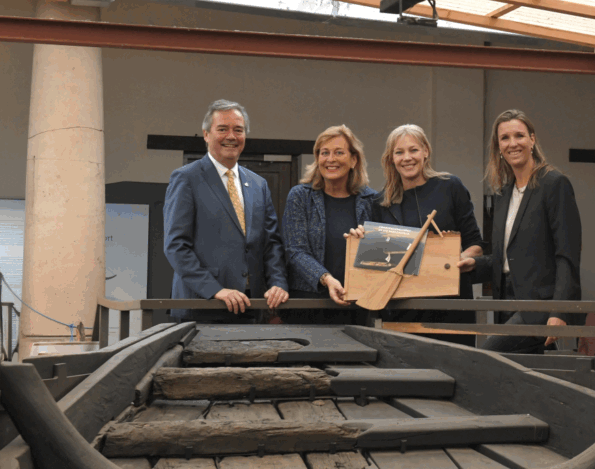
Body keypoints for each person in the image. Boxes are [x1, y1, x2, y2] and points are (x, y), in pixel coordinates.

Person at [460, 109, 582, 354]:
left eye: (519, 135)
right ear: (498, 146)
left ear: (532, 140)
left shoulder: (554, 183)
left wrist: (559, 311)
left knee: (486, 356)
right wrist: (475, 264)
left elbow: (567, 254)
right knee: (519, 372)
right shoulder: (504, 193)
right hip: (505, 302)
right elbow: (509, 259)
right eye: (505, 138)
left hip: (539, 306)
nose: (512, 143)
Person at [164, 99, 289, 322]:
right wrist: (215, 290)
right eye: (222, 129)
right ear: (206, 134)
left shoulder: (258, 185)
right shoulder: (186, 178)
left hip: (251, 306)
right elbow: (176, 246)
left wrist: (278, 283)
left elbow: (271, 244)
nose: (231, 136)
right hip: (203, 306)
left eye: (238, 130)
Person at [372, 124, 483, 340]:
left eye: (413, 150)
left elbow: (476, 244)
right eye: (399, 152)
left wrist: (455, 262)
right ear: (391, 158)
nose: (407, 158)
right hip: (403, 310)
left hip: (450, 307)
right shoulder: (380, 203)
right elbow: (378, 261)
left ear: (426, 152)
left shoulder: (451, 187)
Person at [283, 125, 376, 324]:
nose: (330, 159)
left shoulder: (372, 200)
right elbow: (295, 251)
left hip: (357, 305)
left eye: (339, 152)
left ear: (354, 160)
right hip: (308, 305)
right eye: (324, 153)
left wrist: (367, 244)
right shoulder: (300, 197)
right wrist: (326, 279)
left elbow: (380, 255)